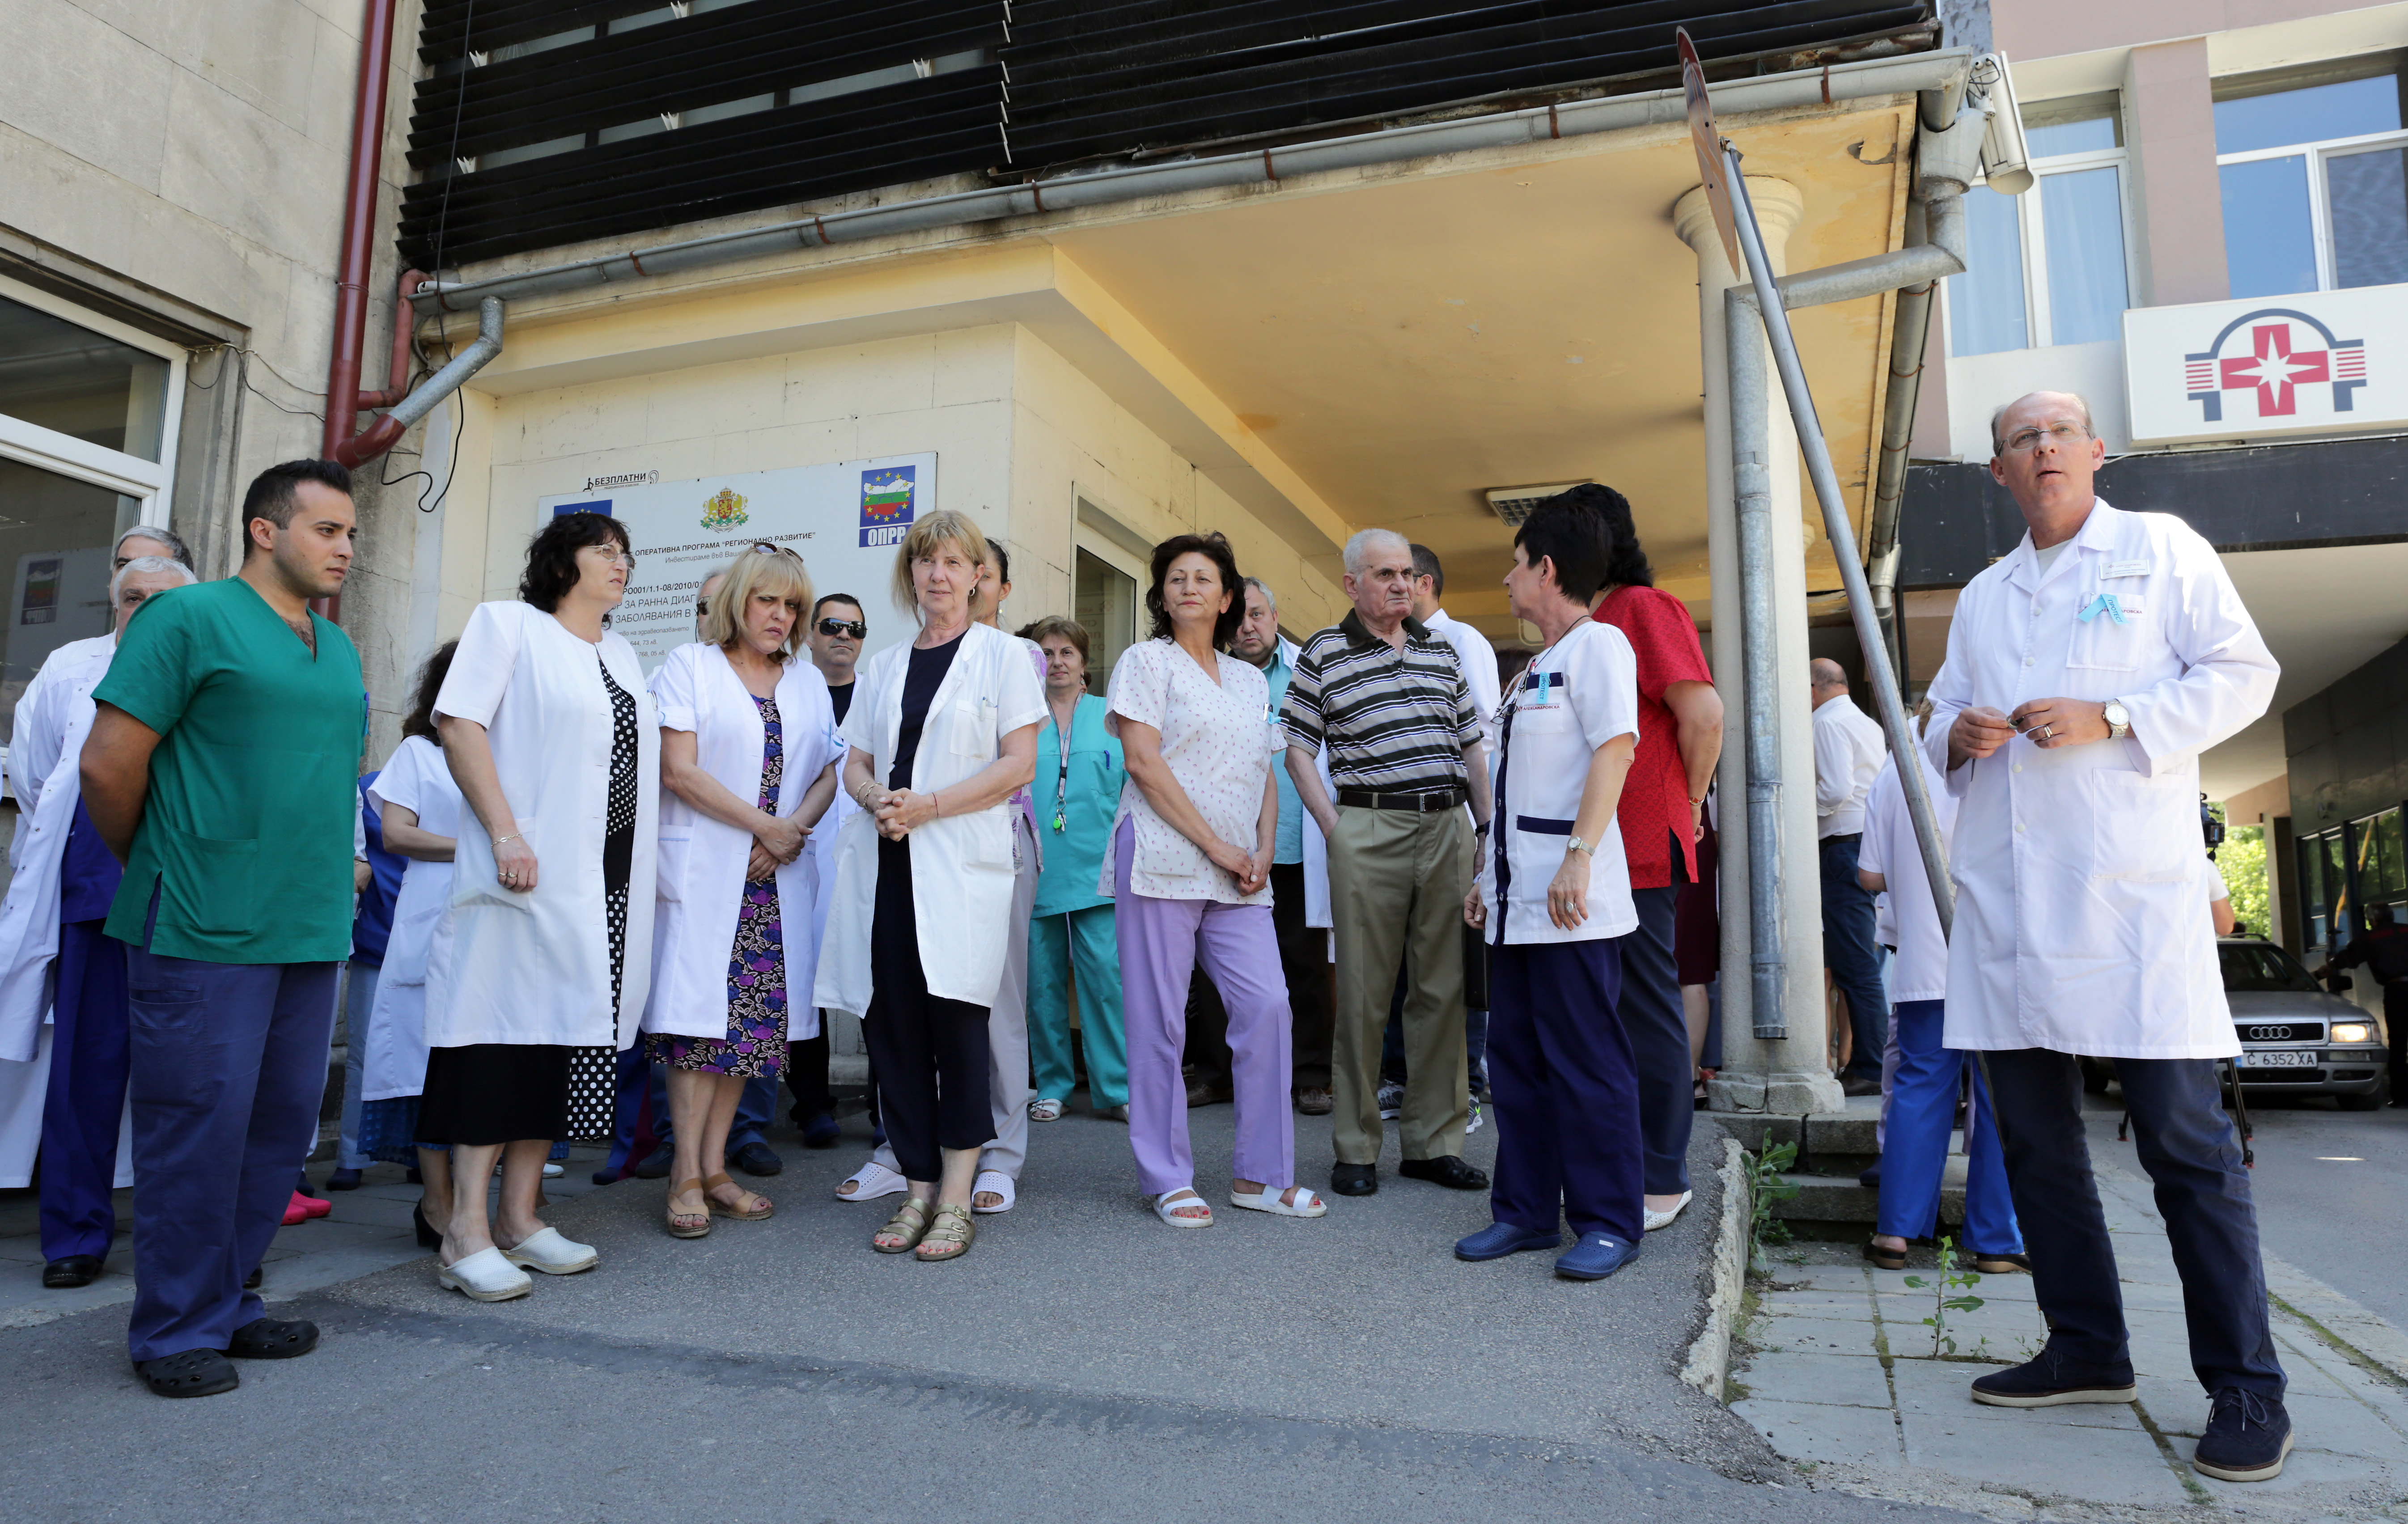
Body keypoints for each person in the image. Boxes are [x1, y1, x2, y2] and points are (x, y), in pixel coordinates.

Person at [1926, 390, 2287, 1481]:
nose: (2041, 449)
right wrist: (1958, 732)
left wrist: (2115, 715)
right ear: (1998, 472)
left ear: (2093, 452)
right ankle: (2087, 1343)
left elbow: (2242, 672)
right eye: (2018, 439)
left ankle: (2245, 1383)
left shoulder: (2161, 549)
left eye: (2057, 433)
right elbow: (1933, 711)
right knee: (2034, 1141)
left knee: (2186, 1144)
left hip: (2131, 903)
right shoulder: (1985, 597)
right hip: (2013, 908)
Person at [78, 460, 363, 1397]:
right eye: (328, 530)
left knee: (276, 1131)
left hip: (308, 923)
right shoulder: (185, 619)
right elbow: (109, 769)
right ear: (264, 531)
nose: (346, 550)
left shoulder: (338, 648)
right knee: (194, 1131)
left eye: (351, 534)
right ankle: (172, 1330)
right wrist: (168, 862)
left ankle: (232, 1301)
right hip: (201, 921)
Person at [420, 510, 661, 1302]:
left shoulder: (621, 654)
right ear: (563, 561)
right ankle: (464, 1233)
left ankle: (521, 1218)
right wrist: (504, 832)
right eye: (604, 549)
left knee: (560, 1044)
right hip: (525, 874)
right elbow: (458, 725)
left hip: (604, 885)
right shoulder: (507, 626)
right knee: (497, 1046)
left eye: (626, 553)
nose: (619, 563)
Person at [815, 510, 1042, 1263]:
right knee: (894, 1028)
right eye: (924, 561)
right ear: (909, 573)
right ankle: (914, 1184)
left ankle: (955, 1194)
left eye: (953, 561)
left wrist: (929, 804)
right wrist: (876, 797)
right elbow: (855, 762)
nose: (938, 574)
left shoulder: (1005, 656)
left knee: (959, 1025)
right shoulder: (881, 666)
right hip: (887, 860)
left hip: (958, 862)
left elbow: (1018, 766)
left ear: (978, 574)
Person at [1105, 535, 1321, 1226]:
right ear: (1162, 596)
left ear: (1228, 598)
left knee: (1268, 1008)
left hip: (1239, 870)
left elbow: (1266, 770)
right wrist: (1218, 847)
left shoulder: (1252, 680)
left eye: (1204, 578)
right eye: (1176, 578)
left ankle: (1263, 1176)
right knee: (1161, 1022)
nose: (1189, 587)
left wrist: (1258, 849)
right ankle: (1167, 1176)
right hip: (1163, 856)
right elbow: (1143, 762)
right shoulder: (1146, 662)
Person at [1454, 491, 1642, 1279]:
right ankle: (1525, 1212)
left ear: (1547, 568)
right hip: (1515, 905)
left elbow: (1615, 750)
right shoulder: (1535, 666)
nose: (1505, 580)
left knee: (1585, 1063)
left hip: (1570, 904)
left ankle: (1607, 1220)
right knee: (1517, 1062)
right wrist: (1482, 875)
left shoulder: (1599, 648)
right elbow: (1519, 782)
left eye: (1514, 564)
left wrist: (1578, 853)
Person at [0, 555, 195, 1290]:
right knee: (86, 1071)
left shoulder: (215, 674)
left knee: (194, 1078)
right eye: (131, 597)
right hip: (99, 895)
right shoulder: (74, 669)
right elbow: (37, 769)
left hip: (196, 903)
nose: (144, 608)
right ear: (113, 607)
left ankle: (191, 1236)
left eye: (161, 598)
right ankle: (75, 1233)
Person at [1283, 528, 1492, 1198]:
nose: (1403, 584)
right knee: (1367, 993)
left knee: (1442, 991)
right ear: (1353, 584)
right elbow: (1296, 750)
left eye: (1408, 573)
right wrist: (1336, 829)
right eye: (1385, 574)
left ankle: (1433, 1145)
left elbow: (1473, 747)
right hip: (1367, 823)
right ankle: (1356, 1147)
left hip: (1446, 824)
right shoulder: (1324, 651)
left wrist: (1485, 829)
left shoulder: (1443, 652)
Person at [646, 546, 841, 1237]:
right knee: (697, 1032)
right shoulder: (689, 667)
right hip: (707, 873)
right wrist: (767, 828)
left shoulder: (807, 682)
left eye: (791, 606)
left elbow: (830, 770)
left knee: (746, 1035)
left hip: (771, 880)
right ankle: (685, 1176)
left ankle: (717, 1169)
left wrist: (789, 832)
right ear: (739, 602)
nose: (780, 616)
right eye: (768, 601)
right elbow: (680, 771)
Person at [1578, 485, 1724, 1229]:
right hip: (1600, 845)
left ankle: (1664, 1174)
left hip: (1640, 840)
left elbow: (1701, 712)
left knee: (1645, 1001)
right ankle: (1630, 1160)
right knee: (1612, 1006)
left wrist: (1692, 801)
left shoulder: (1640, 606)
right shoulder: (1591, 621)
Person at [1858, 717, 2024, 1274]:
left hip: (1927, 960)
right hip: (2001, 955)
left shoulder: (1893, 772)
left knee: (1918, 1087)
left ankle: (1894, 1235)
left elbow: (1869, 876)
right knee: (2001, 1094)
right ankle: (1995, 1241)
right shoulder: (2007, 759)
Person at [355, 644, 463, 1247]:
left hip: (498, 913)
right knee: (427, 1064)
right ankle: (437, 1202)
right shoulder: (420, 753)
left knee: (480, 1060)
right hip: (431, 909)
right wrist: (481, 846)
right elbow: (395, 835)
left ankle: (481, 1205)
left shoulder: (511, 750)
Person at [1225, 577, 1335, 1115]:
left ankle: (1311, 1075)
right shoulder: (1215, 675)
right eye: (1240, 617)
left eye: (1258, 615)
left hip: (1295, 840)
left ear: (1274, 617)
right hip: (1232, 844)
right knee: (1223, 966)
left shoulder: (1303, 674)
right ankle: (1220, 1075)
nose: (1248, 627)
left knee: (1304, 965)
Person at [1023, 615, 1128, 1123]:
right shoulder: (1020, 718)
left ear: (1084, 662)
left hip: (1099, 868)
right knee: (1041, 982)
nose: (1057, 661)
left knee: (1106, 977)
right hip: (1035, 867)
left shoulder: (1112, 716)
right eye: (1047, 652)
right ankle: (1053, 1085)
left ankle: (1117, 1087)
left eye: (1066, 652)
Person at [793, 592, 868, 1148]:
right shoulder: (791, 693)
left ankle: (887, 1109)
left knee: (877, 984)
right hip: (801, 852)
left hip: (864, 856)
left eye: (855, 629)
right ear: (811, 634)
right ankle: (811, 1105)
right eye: (832, 626)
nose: (843, 635)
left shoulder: (880, 694)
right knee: (803, 985)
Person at [1811, 657, 1888, 1091]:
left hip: (1842, 845)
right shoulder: (1863, 722)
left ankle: (1870, 1066)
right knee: (1857, 961)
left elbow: (1835, 791)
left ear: (1813, 688)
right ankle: (1867, 1061)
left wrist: (1800, 811)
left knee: (1854, 963)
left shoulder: (1825, 723)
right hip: (1862, 843)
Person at [2318, 902, 2408, 1103]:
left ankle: (2402, 1098)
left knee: (2399, 1044)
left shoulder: (2372, 937)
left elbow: (2348, 958)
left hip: (2398, 992)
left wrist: (2329, 965)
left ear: (2373, 920)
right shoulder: (2406, 930)